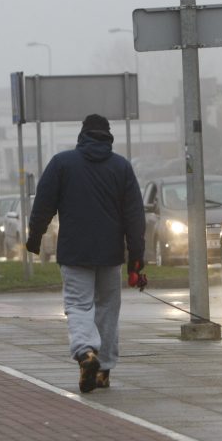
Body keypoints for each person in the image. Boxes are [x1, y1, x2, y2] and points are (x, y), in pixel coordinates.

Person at [26, 114, 145, 393]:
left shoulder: (62, 163)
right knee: (107, 309)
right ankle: (103, 369)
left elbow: (43, 204)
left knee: (79, 305)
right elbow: (135, 217)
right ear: (108, 136)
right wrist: (136, 261)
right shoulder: (121, 167)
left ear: (82, 135)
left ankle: (85, 353)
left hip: (74, 251)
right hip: (110, 253)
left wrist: (34, 237)